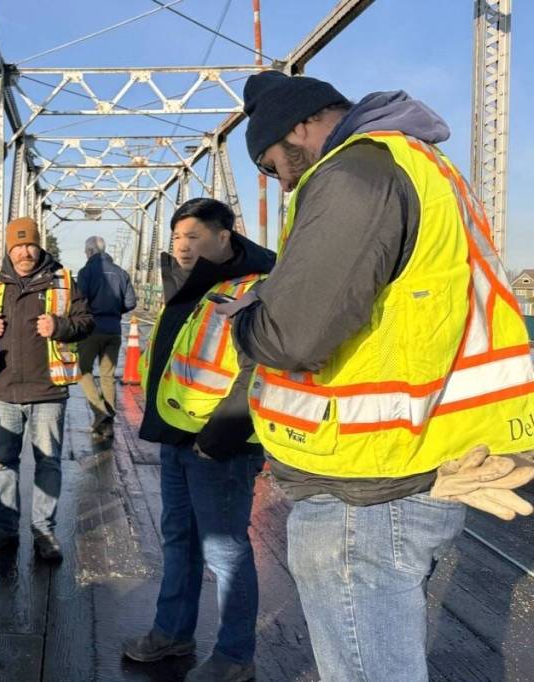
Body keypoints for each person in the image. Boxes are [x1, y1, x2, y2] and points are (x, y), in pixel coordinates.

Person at [221, 71, 534, 681]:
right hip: (409, 459)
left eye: (271, 163)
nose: (281, 182)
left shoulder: (355, 173)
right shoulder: (418, 164)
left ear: (300, 126)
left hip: (363, 483)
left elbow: (293, 335)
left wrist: (246, 323)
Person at [121, 199, 274, 682]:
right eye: (176, 239)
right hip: (178, 436)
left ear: (224, 235)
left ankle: (234, 656)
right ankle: (172, 632)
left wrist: (219, 437)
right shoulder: (190, 282)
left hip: (220, 445)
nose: (183, 247)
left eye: (194, 237)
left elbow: (261, 370)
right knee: (179, 539)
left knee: (225, 550)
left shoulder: (257, 286)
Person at [0, 217, 94, 560]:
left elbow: (86, 323)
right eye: (18, 245)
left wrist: (60, 325)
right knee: (3, 461)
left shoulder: (63, 281)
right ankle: (5, 529)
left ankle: (44, 531)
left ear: (40, 246)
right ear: (9, 248)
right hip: (3, 389)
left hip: (48, 390)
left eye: (30, 244)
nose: (24, 252)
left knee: (47, 462)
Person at [76, 235, 136, 439]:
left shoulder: (86, 272)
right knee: (107, 376)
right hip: (114, 330)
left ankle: (101, 412)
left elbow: (80, 300)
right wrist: (114, 310)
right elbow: (130, 303)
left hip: (91, 329)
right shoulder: (121, 273)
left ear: (91, 251)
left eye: (86, 252)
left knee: (82, 371)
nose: (86, 255)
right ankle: (107, 422)